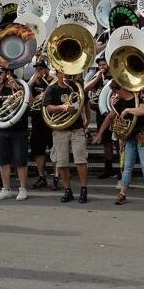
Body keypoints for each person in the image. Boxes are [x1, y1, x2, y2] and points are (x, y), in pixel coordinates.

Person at [95, 81, 144, 205]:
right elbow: (109, 118)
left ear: (121, 89)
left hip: (143, 135)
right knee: (127, 167)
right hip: (130, 137)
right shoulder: (119, 103)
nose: (115, 94)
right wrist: (100, 134)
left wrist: (128, 110)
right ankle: (122, 194)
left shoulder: (137, 98)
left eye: (116, 91)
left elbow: (143, 111)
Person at [44, 71, 89, 203]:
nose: (66, 76)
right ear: (57, 74)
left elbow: (85, 103)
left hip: (76, 128)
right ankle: (67, 190)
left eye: (68, 73)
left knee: (81, 160)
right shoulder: (52, 89)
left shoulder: (76, 87)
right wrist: (63, 107)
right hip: (60, 129)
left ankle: (83, 189)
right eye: (62, 73)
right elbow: (48, 108)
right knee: (62, 162)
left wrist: (87, 119)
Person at [0, 69, 29, 201]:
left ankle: (22, 188)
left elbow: (30, 103)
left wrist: (19, 90)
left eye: (0, 73)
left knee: (20, 160)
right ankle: (6, 189)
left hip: (19, 129)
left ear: (8, 73)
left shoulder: (22, 86)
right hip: (2, 129)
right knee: (3, 160)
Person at [86, 59, 117, 179]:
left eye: (103, 64)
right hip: (101, 113)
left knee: (119, 143)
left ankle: (122, 168)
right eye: (99, 65)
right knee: (106, 142)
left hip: (115, 112)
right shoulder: (98, 77)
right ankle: (108, 169)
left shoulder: (115, 76)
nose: (101, 67)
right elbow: (86, 88)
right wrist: (97, 77)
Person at [28, 61, 53, 187]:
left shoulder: (51, 82)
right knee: (38, 150)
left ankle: (57, 176)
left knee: (54, 149)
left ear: (46, 70)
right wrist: (32, 82)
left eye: (41, 69)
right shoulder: (32, 85)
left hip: (51, 122)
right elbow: (30, 102)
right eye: (37, 69)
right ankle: (41, 176)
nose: (38, 71)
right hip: (37, 121)